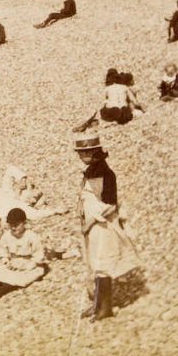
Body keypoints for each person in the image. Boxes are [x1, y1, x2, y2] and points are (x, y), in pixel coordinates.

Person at [74, 133, 140, 322]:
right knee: (94, 264)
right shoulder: (90, 172)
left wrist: (90, 222)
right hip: (92, 228)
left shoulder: (107, 174)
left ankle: (106, 307)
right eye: (80, 153)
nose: (81, 156)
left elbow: (111, 205)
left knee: (103, 266)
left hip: (103, 227)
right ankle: (97, 305)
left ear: (94, 152)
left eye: (84, 153)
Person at [0, 208, 47, 303]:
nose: (13, 228)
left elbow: (39, 254)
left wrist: (29, 265)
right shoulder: (7, 236)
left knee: (16, 279)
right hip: (13, 262)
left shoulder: (31, 236)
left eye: (16, 225)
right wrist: (6, 260)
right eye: (11, 225)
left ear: (24, 223)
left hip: (28, 263)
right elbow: (2, 250)